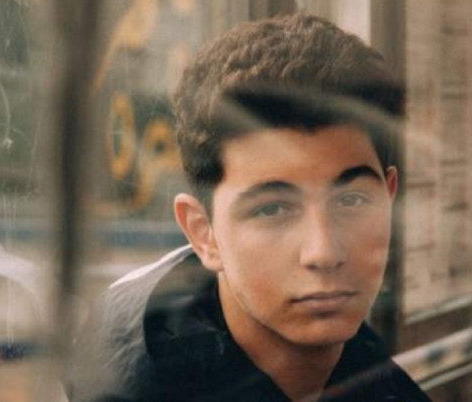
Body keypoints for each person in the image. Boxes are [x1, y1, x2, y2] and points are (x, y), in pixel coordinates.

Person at [72, 13, 431, 402]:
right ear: (203, 234)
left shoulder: (369, 370)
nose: (323, 252)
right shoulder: (135, 388)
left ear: (389, 198)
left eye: (351, 201)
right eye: (272, 210)